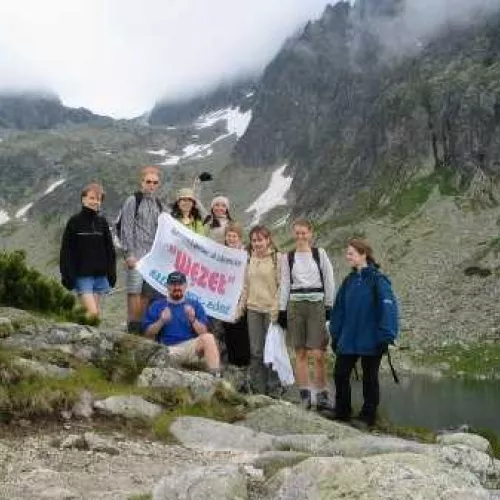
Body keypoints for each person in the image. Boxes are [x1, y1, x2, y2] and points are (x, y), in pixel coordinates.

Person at [329, 238, 399, 427]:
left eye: (351, 253)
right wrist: (335, 335)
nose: (347, 256)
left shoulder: (378, 280)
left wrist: (386, 336)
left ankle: (368, 417)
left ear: (363, 255)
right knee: (340, 374)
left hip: (372, 339)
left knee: (370, 378)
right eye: (347, 253)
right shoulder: (349, 281)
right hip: (349, 338)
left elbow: (388, 308)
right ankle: (342, 411)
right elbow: (339, 310)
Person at [278, 219, 335, 411]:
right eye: (297, 233)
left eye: (304, 233)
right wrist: (282, 309)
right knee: (300, 352)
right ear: (294, 234)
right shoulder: (288, 257)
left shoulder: (320, 254)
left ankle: (322, 395)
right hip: (295, 305)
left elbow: (329, 280)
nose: (301, 236)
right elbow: (285, 283)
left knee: (318, 353)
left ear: (311, 233)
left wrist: (329, 305)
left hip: (316, 306)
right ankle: (304, 395)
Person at [142, 271, 221, 376]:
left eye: (180, 284)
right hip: (168, 349)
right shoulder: (157, 305)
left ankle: (216, 377)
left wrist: (193, 320)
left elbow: (204, 332)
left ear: (185, 286)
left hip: (190, 348)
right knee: (160, 355)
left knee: (209, 338)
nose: (177, 287)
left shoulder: (195, 304)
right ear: (167, 286)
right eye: (173, 284)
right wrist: (161, 321)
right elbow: (147, 334)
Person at [60, 183, 116, 320]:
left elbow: (110, 249)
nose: (95, 202)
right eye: (91, 198)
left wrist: (111, 273)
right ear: (83, 199)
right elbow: (66, 250)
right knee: (93, 314)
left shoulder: (102, 222)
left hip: (100, 276)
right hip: (82, 276)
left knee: (93, 315)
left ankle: (85, 338)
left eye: (98, 199)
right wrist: (67, 274)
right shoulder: (74, 222)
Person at [120, 166, 164, 334]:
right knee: (134, 292)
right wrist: (129, 254)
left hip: (152, 259)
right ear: (142, 182)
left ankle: (142, 329)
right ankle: (132, 328)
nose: (151, 185)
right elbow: (126, 228)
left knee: (147, 294)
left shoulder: (158, 204)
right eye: (148, 182)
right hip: (136, 256)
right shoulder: (133, 200)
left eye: (155, 182)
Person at [240, 225, 282, 396]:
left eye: (260, 240)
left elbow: (282, 286)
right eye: (254, 240)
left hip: (271, 311)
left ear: (268, 239)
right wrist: (241, 308)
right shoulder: (249, 259)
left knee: (272, 351)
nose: (257, 243)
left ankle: (274, 389)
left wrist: (276, 308)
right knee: (256, 351)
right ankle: (259, 389)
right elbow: (245, 286)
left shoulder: (277, 258)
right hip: (253, 310)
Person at [222, 222, 250, 367]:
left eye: (234, 236)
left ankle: (244, 364)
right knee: (229, 332)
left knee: (242, 332)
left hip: (241, 299)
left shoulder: (245, 255)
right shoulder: (221, 253)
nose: (231, 238)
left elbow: (247, 281)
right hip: (225, 299)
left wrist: (242, 304)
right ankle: (233, 363)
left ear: (240, 238)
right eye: (229, 235)